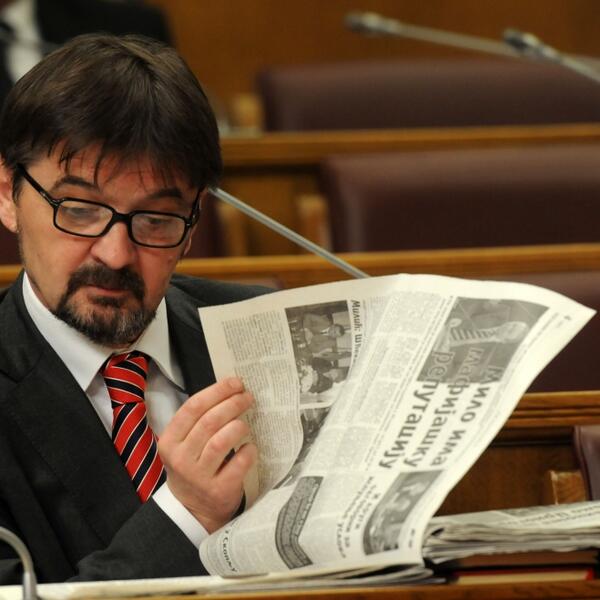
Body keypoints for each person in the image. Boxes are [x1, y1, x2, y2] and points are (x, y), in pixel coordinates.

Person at [0, 33, 267, 584]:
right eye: (78, 210)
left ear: (193, 222)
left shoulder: (264, 329)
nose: (116, 254)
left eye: (157, 220)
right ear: (8, 193)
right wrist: (188, 516)